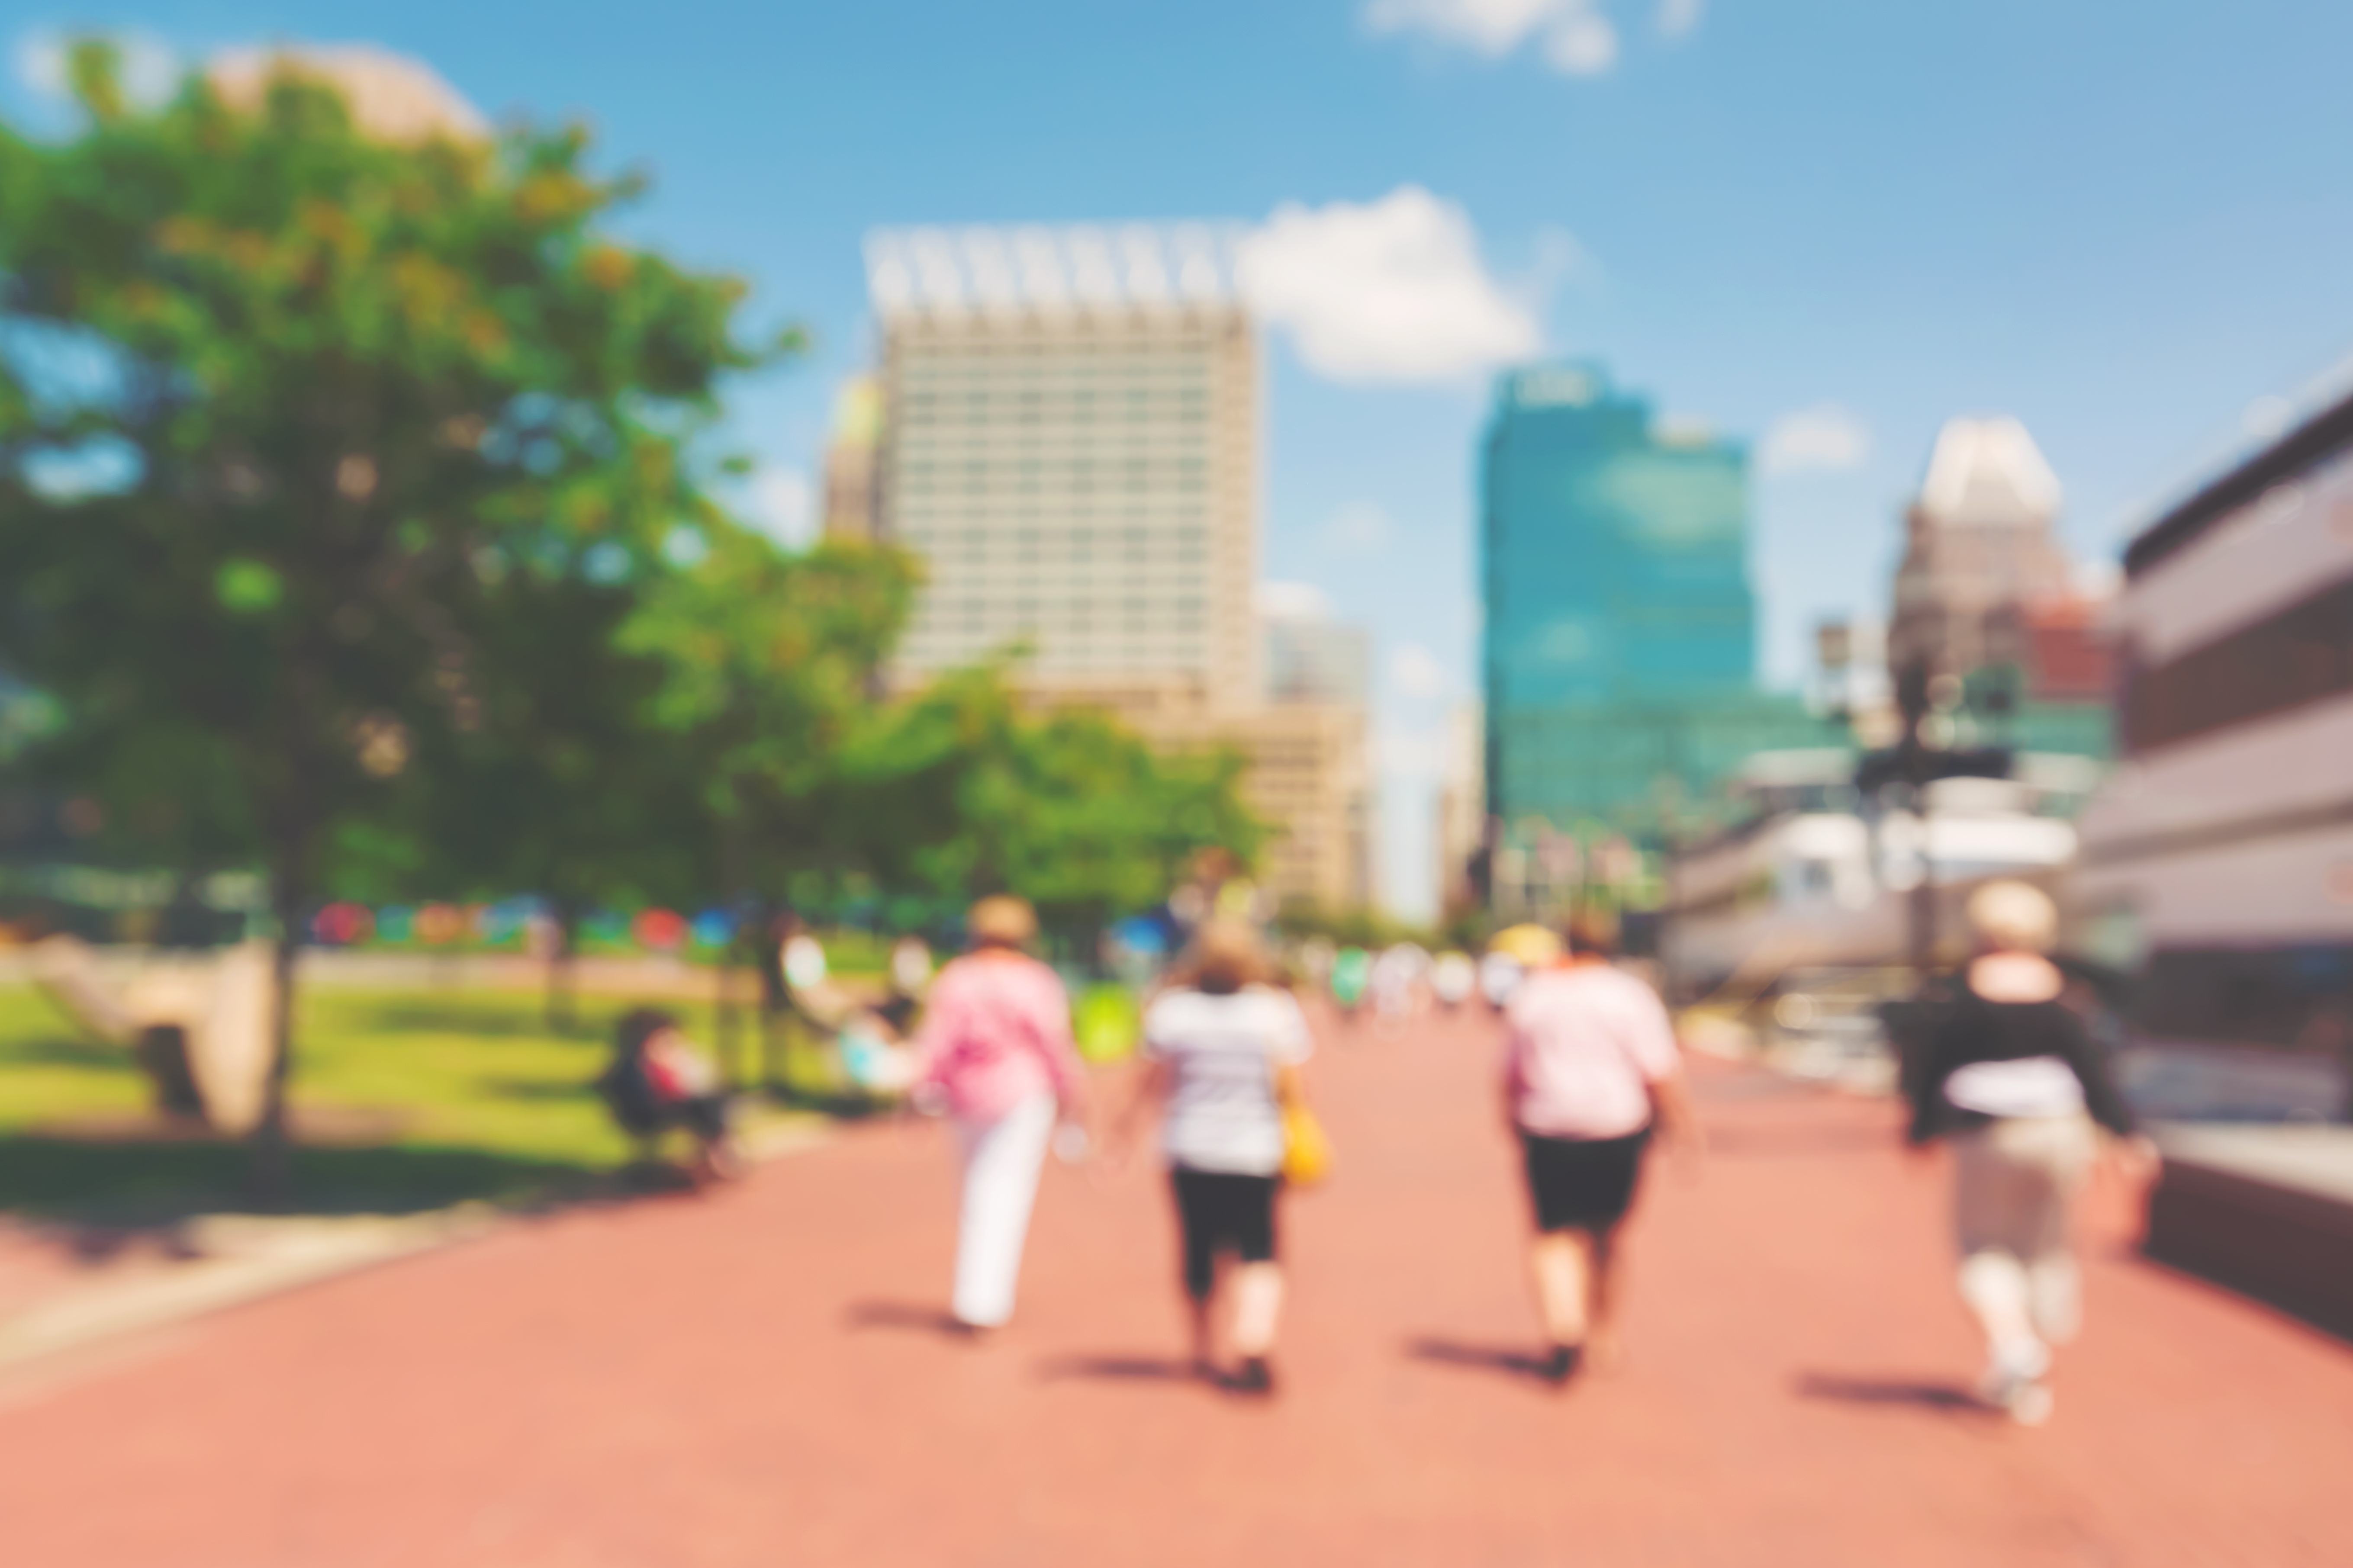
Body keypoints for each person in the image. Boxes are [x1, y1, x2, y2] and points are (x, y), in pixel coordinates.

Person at [1901, 880, 2155, 1426]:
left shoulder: (1956, 995)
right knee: (2046, 1249)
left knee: (1983, 1248)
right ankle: (2032, 1368)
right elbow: (2093, 1071)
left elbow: (1929, 1073)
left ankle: (2014, 1348)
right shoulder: (2066, 993)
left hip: (1987, 1136)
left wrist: (1920, 1132)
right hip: (2060, 1133)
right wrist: (2124, 1134)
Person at [1114, 920, 1315, 1394]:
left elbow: (1148, 1079)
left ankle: (1203, 1348)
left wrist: (1122, 1130)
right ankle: (1252, 1336)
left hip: (1189, 1147)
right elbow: (1292, 1086)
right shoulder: (1272, 1011)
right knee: (1259, 1246)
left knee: (1197, 1248)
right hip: (1256, 1149)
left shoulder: (1173, 1012)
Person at [1500, 912, 1699, 1384]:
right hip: (1617, 1130)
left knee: (1553, 1236)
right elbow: (1659, 1071)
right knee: (1606, 1237)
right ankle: (1602, 1334)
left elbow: (1508, 1073)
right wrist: (1684, 1128)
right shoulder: (1630, 996)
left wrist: (1510, 1118)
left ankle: (1563, 1328)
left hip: (1548, 1129)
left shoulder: (1534, 996)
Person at [910, 896, 1088, 1335]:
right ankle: (985, 1297)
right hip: (1022, 1095)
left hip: (968, 1095)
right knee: (1005, 1191)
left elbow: (937, 1039)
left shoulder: (957, 978)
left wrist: (919, 1088)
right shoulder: (1036, 981)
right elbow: (1054, 1042)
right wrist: (1073, 1094)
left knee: (974, 1189)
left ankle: (975, 1293)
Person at [595, 1008, 742, 1183]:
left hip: (664, 1108)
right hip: (647, 1114)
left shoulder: (643, 1060)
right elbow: (650, 1096)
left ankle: (717, 1152)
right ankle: (718, 1154)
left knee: (709, 1103)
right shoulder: (637, 1064)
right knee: (707, 1105)